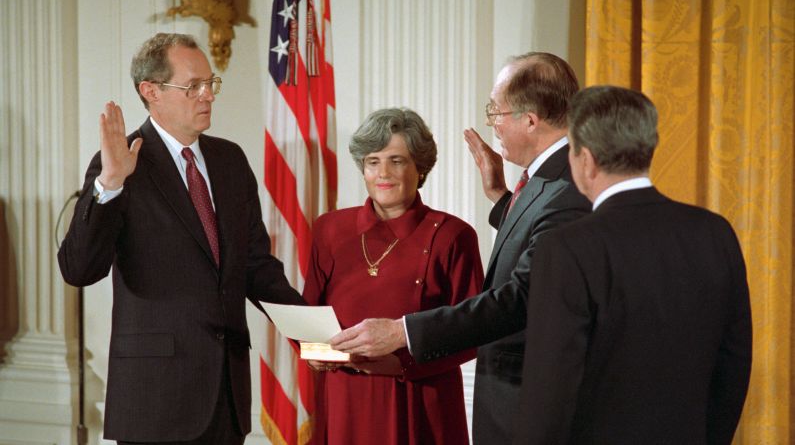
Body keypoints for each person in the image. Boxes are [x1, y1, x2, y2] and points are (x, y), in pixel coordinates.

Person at [328, 53, 591, 443]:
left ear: (530, 119)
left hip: (534, 405)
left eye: (495, 111)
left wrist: (402, 332)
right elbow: (542, 246)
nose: (492, 123)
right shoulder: (547, 181)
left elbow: (520, 299)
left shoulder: (567, 188)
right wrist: (503, 200)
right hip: (514, 402)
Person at [57, 33, 304, 444]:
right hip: (154, 401)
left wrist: (314, 331)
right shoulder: (120, 164)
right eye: (193, 87)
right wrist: (110, 184)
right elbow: (79, 269)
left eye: (211, 83)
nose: (208, 95)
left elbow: (256, 267)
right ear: (150, 91)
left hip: (225, 399)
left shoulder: (230, 160)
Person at [513, 85, 752, 444]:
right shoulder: (715, 233)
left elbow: (550, 392)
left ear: (586, 159)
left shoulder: (567, 248)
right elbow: (733, 365)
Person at [302, 108, 484, 445]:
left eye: (397, 160)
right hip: (345, 402)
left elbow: (472, 332)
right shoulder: (330, 229)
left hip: (420, 400)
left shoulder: (453, 236)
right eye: (373, 161)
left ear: (421, 167)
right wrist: (312, 350)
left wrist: (402, 363)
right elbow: (308, 312)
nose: (383, 173)